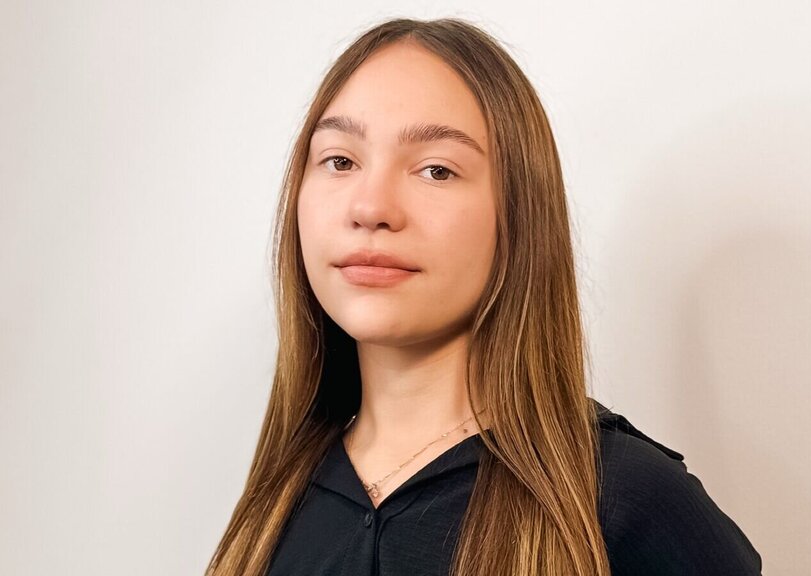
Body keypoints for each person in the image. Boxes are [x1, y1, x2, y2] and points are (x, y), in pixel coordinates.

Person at [205, 17, 762, 576]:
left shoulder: (624, 500)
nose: (370, 207)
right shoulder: (276, 504)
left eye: (437, 170)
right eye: (340, 161)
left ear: (519, 214)